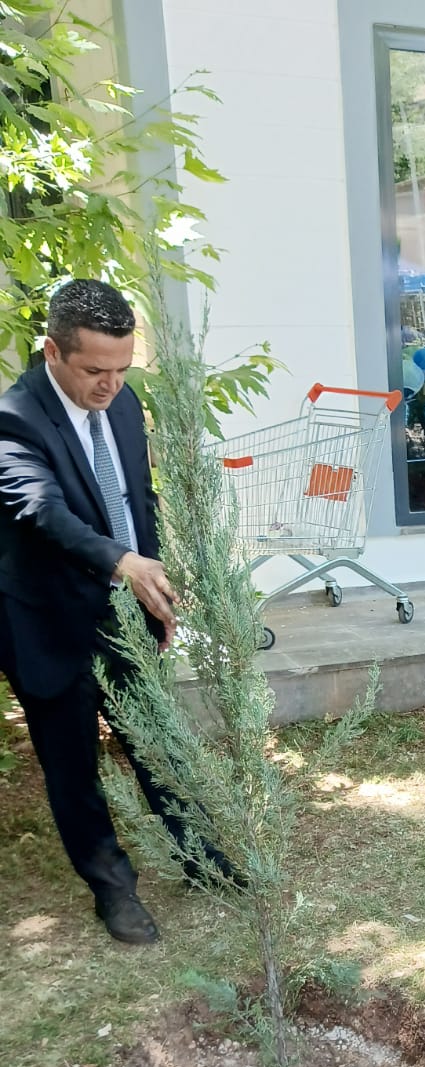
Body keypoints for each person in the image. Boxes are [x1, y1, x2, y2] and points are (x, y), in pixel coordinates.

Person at [0, 279, 185, 946]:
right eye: (94, 371)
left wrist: (153, 581)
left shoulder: (126, 403)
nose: (111, 385)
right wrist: (121, 563)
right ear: (52, 351)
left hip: (124, 613)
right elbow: (41, 509)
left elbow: (139, 500)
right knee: (74, 767)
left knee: (156, 742)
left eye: (122, 368)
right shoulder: (15, 417)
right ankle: (114, 889)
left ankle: (197, 852)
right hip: (45, 623)